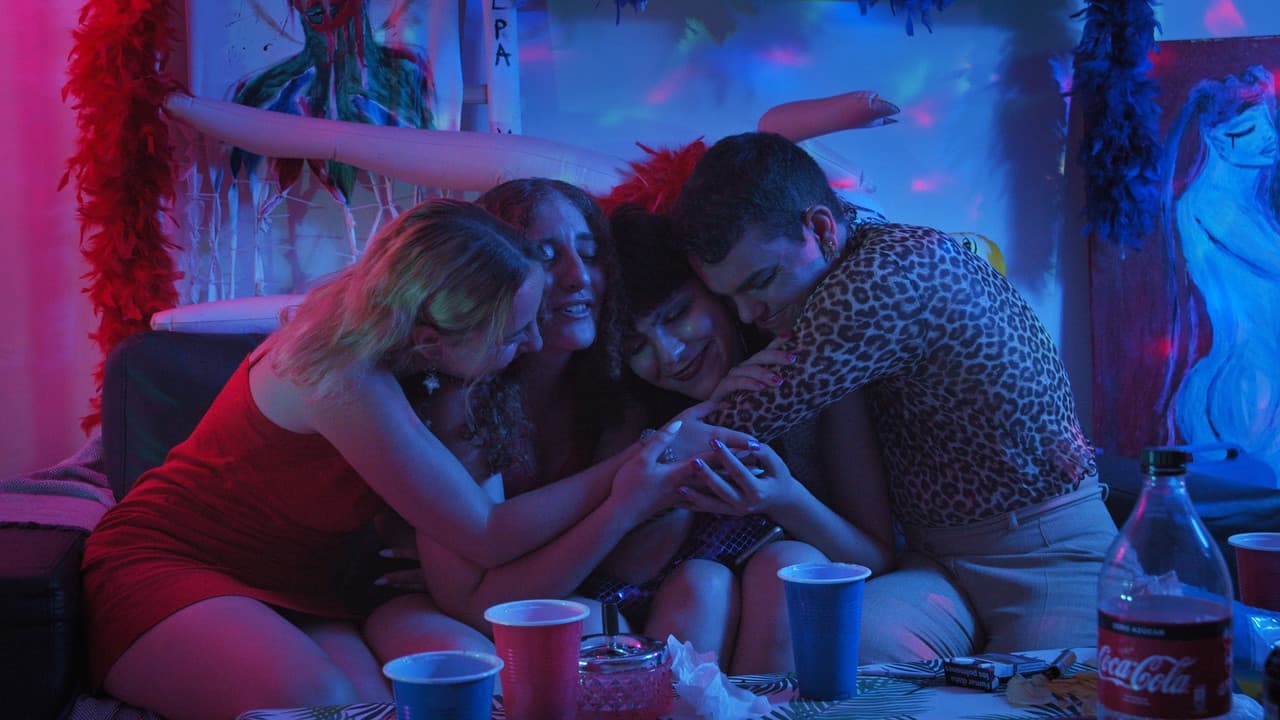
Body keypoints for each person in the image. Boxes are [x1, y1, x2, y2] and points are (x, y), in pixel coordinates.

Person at [80, 198, 695, 720]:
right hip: (171, 563)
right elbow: (486, 533)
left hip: (301, 585)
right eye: (513, 334)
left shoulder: (421, 359)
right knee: (321, 705)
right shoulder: (338, 373)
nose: (533, 343)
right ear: (432, 338)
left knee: (379, 707)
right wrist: (634, 467)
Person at [667, 131, 1117, 655]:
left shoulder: (882, 278)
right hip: (934, 566)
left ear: (821, 228)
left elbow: (724, 438)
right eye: (730, 297)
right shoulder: (851, 255)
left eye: (760, 281)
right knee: (839, 662)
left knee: (1050, 692)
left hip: (1048, 552)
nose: (748, 314)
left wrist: (669, 436)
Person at [364, 180, 760, 666]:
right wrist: (628, 496)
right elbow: (477, 603)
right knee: (579, 632)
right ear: (492, 273)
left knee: (699, 590)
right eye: (545, 257)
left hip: (579, 593)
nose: (578, 276)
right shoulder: (461, 394)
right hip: (443, 607)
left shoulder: (619, 383)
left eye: (590, 254)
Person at [608, 206, 981, 668]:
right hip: (674, 613)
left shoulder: (811, 372)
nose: (670, 354)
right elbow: (631, 569)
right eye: (637, 347)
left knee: (786, 563)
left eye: (678, 314)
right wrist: (694, 437)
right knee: (701, 583)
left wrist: (783, 497)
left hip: (796, 590)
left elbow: (876, 554)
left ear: (721, 291)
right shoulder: (636, 412)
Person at [1161, 65, 1280, 477]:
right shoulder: (1211, 203)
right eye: (1248, 130)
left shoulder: (1248, 208)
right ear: (1214, 137)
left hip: (1251, 378)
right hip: (1252, 380)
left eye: (1267, 123)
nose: (1268, 138)